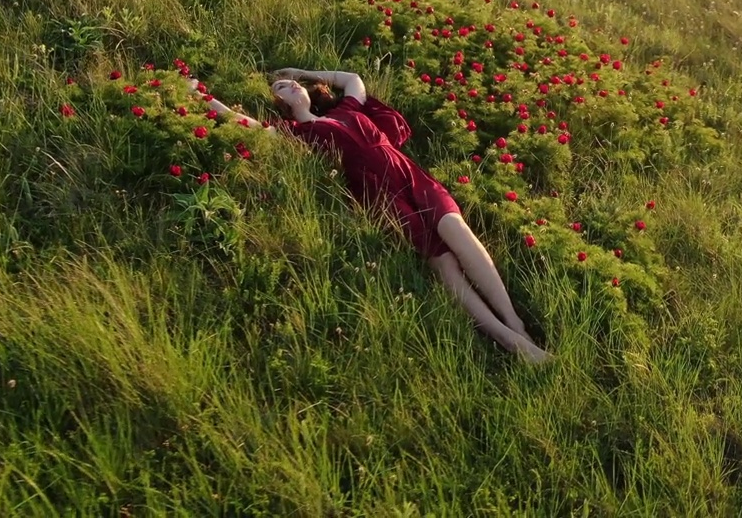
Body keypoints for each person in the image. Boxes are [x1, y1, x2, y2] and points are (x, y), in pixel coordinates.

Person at [186, 68, 551, 363]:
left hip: (410, 173)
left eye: (295, 82)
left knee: (457, 230)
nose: (293, 85)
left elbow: (352, 79)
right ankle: (512, 343)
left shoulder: (346, 110)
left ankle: (515, 320)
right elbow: (244, 123)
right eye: (283, 87)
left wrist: (301, 69)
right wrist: (204, 98)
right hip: (380, 194)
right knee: (444, 264)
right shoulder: (299, 132)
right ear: (279, 104)